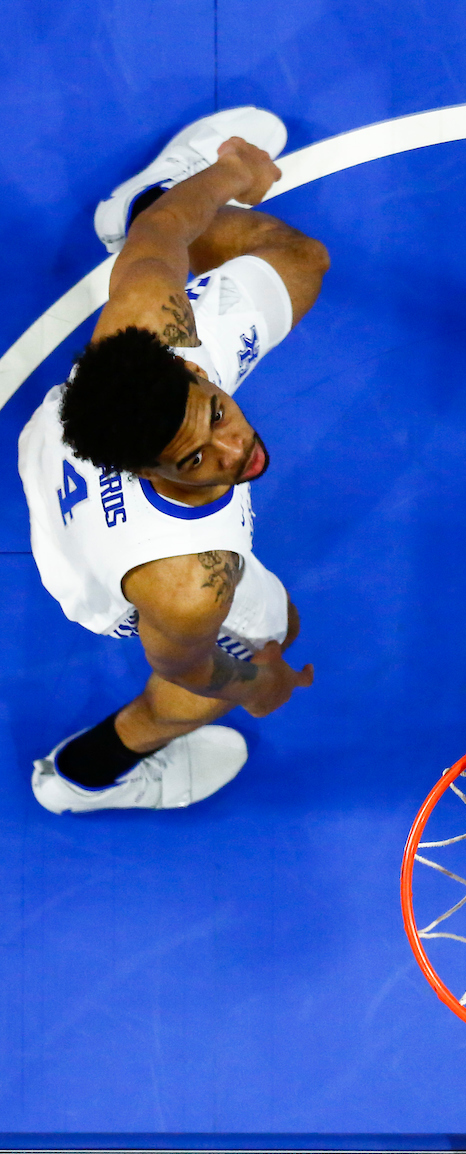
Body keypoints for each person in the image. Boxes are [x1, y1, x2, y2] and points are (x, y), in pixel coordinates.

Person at [19, 107, 329, 813]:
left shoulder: (147, 316)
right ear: (149, 472)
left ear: (189, 366)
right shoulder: (190, 585)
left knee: (299, 262)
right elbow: (187, 666)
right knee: (273, 632)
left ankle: (141, 193)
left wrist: (229, 173)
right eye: (197, 458)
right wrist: (258, 685)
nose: (236, 448)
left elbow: (162, 234)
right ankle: (88, 775)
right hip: (95, 564)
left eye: (217, 412)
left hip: (68, 437)